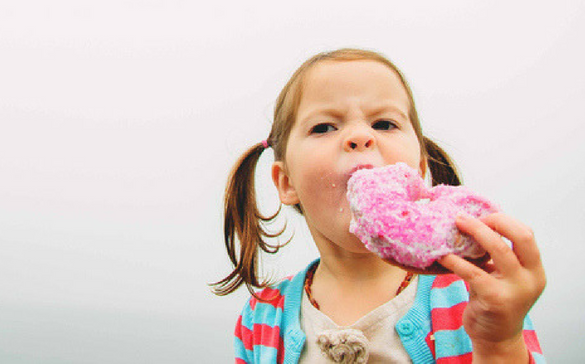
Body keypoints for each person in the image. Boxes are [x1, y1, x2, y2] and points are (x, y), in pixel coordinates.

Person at [212, 48, 546, 363]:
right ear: (287, 183)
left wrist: (499, 342)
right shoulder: (262, 317)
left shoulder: (476, 298)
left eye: (384, 124)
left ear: (417, 172)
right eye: (324, 127)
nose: (359, 136)